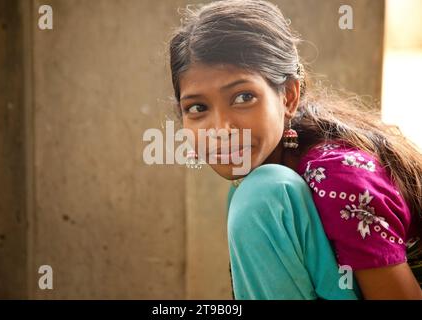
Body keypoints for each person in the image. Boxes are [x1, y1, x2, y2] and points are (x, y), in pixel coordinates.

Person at [168, 0, 422, 299]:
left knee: (261, 196)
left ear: (288, 96)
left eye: (243, 97)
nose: (221, 129)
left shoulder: (336, 176)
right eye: (198, 107)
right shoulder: (267, 176)